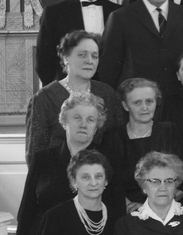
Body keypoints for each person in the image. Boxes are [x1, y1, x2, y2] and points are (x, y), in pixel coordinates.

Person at [16, 91, 108, 235]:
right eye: (77, 118)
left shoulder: (107, 160)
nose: (83, 124)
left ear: (97, 127)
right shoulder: (43, 158)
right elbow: (26, 213)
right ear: (64, 122)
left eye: (90, 120)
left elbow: (115, 212)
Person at [25, 30, 122, 158]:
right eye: (82, 55)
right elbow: (35, 155)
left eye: (94, 56)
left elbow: (119, 146)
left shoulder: (107, 94)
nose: (90, 61)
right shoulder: (43, 98)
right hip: (57, 175)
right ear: (65, 58)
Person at [34, 0, 119, 85]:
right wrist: (59, 95)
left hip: (110, 94)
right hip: (68, 96)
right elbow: (44, 62)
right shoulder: (54, 13)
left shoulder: (119, 13)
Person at [100, 78, 183, 210]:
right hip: (127, 209)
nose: (144, 108)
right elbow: (110, 182)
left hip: (168, 206)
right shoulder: (112, 138)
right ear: (125, 105)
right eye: (137, 103)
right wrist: (132, 207)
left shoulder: (170, 131)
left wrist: (151, 207)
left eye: (149, 101)